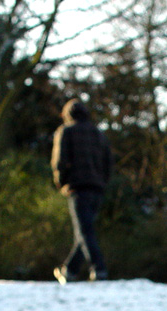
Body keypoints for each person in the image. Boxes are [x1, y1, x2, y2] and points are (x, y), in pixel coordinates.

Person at [51, 98, 113, 283]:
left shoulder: (66, 132)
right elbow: (108, 162)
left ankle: (99, 268)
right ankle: (69, 271)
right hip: (97, 188)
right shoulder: (98, 133)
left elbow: (59, 160)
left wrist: (61, 182)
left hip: (78, 187)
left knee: (84, 231)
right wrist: (103, 182)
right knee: (85, 231)